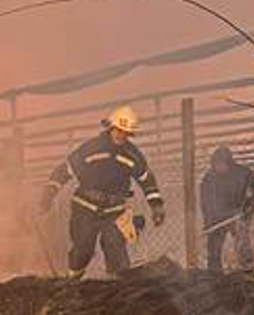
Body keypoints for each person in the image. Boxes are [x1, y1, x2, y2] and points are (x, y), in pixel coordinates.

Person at [43, 106, 165, 278]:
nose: (121, 135)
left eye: (125, 132)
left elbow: (147, 181)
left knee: (114, 244)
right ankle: (72, 281)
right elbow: (65, 170)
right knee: (83, 248)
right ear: (110, 127)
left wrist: (157, 205)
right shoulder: (91, 148)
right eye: (119, 130)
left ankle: (120, 288)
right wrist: (50, 192)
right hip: (85, 207)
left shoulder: (133, 155)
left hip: (114, 211)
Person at [199, 144, 254, 272]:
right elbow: (205, 202)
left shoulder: (243, 173)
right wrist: (208, 221)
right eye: (216, 164)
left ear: (229, 163)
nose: (219, 167)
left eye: (221, 163)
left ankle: (248, 271)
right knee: (214, 249)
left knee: (242, 243)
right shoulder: (209, 178)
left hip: (238, 214)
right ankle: (214, 275)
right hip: (217, 219)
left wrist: (248, 207)